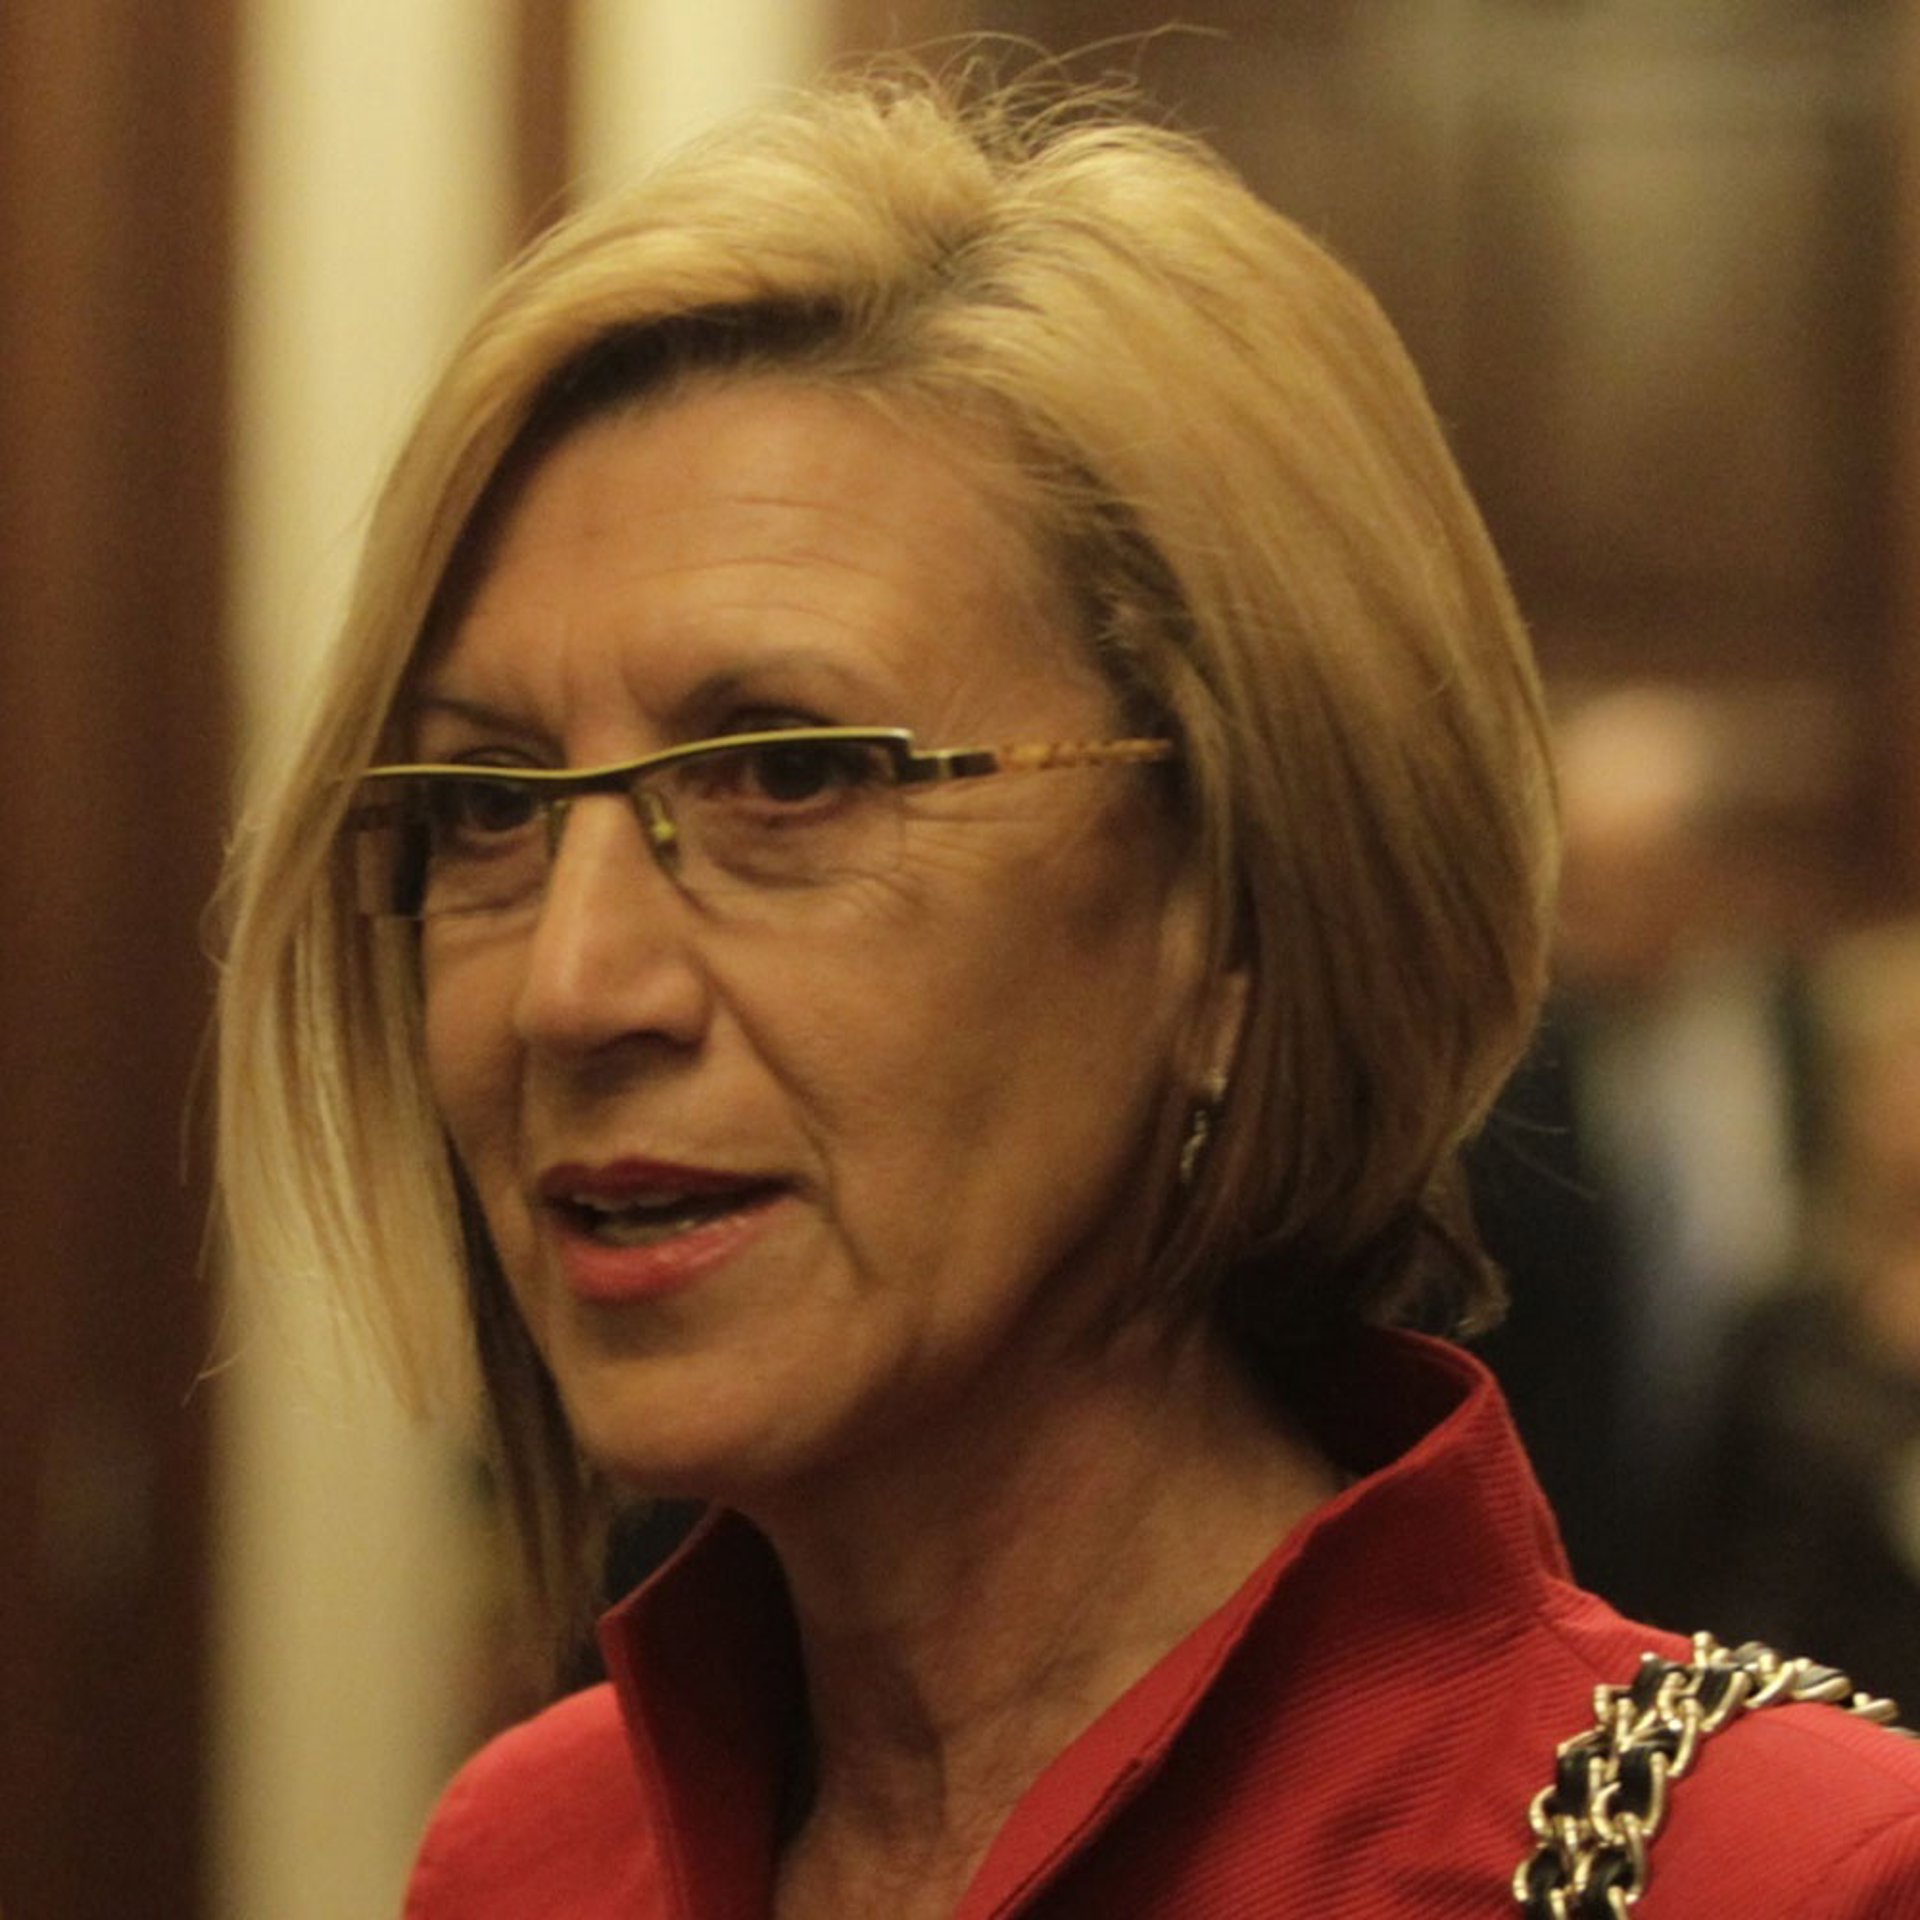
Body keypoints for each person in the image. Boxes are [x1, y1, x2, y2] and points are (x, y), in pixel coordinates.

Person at [214, 64, 1920, 1919]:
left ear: (1236, 911)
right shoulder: (532, 1860)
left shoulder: (1779, 1877)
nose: (572, 986)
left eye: (791, 773)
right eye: (486, 805)